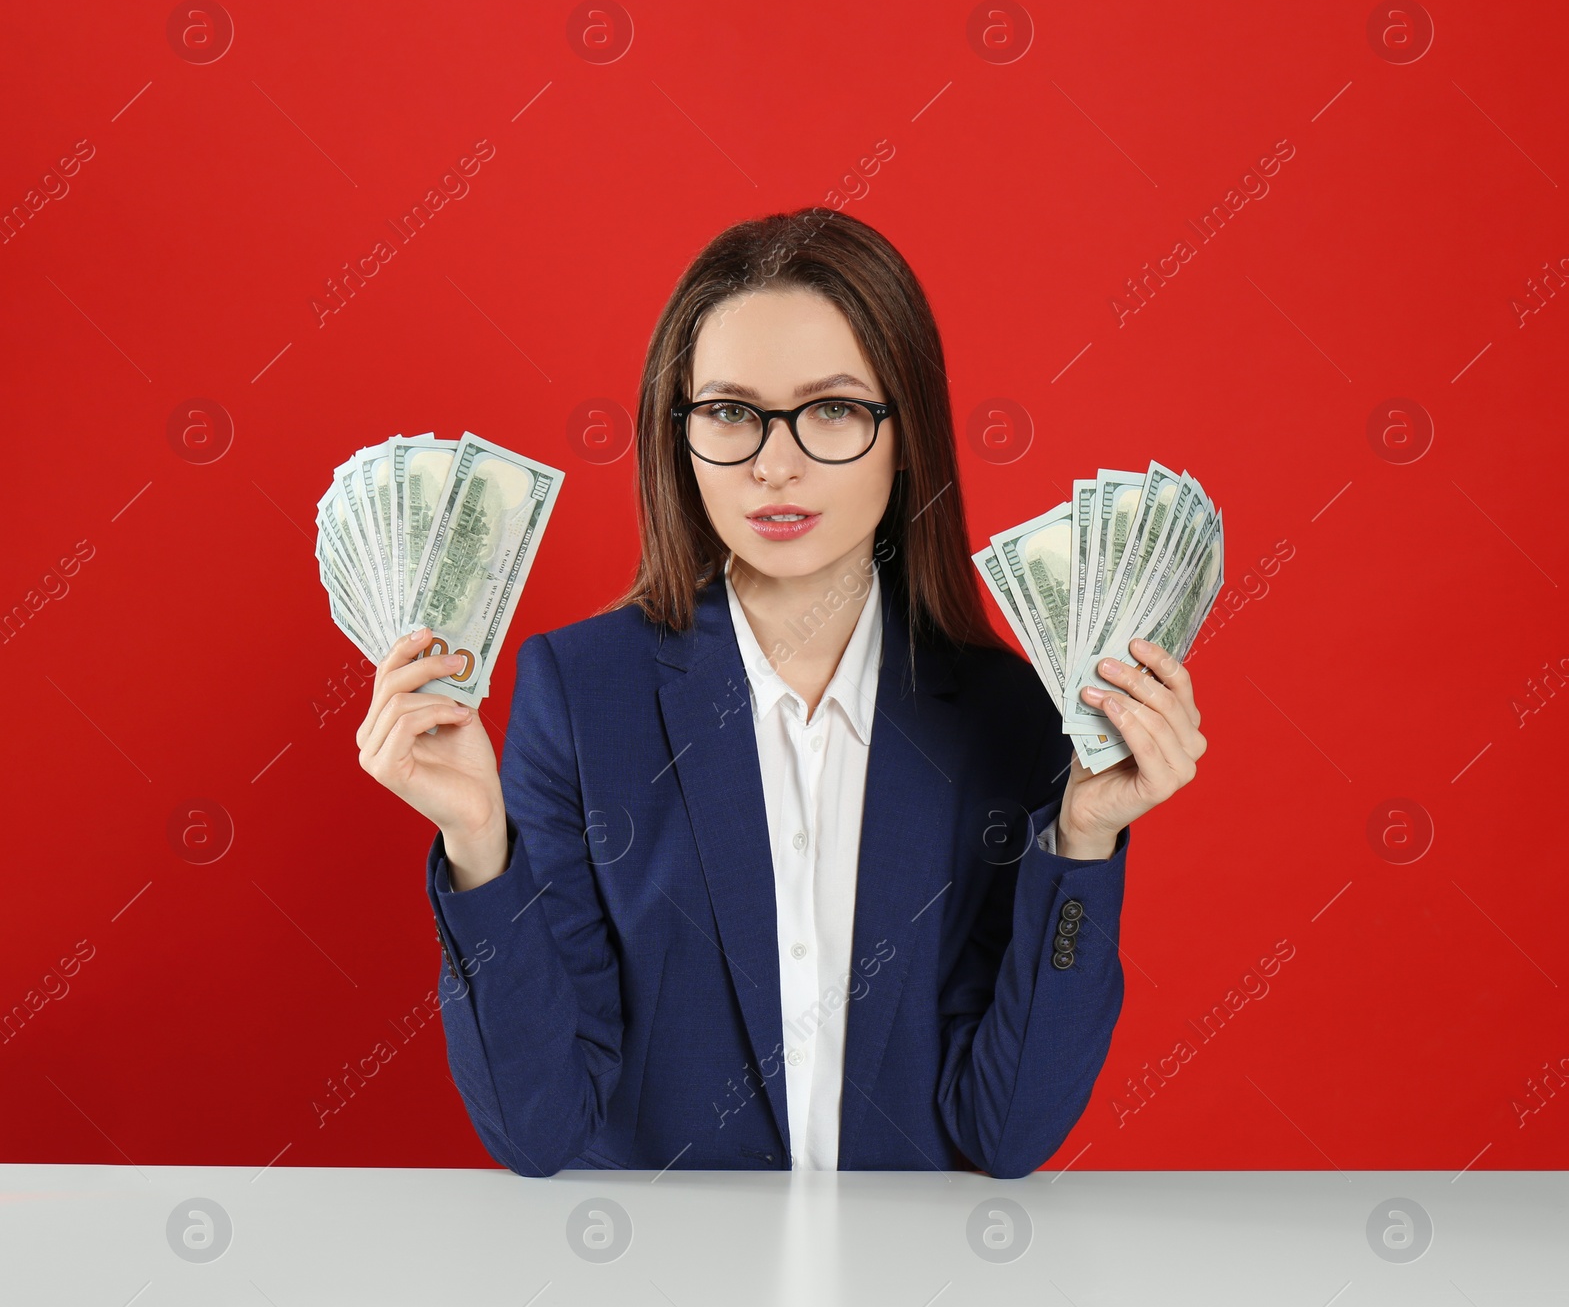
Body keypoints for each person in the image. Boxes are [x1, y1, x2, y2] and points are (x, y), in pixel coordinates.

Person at [356, 207, 1206, 1177]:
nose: (774, 460)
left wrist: (1083, 838)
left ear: (905, 432)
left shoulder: (1008, 717)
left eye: (833, 408)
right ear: (678, 433)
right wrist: (477, 845)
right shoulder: (582, 692)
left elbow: (1004, 1133)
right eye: (729, 411)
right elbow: (537, 1130)